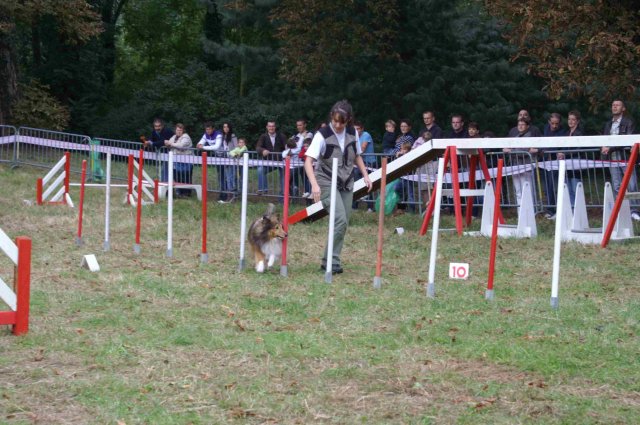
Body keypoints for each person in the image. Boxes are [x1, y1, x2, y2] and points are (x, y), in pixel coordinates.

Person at [304, 100, 372, 274]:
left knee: (343, 223)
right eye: (335, 121)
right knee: (340, 219)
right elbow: (308, 161)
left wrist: (366, 176)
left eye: (341, 122)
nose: (337, 125)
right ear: (331, 118)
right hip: (325, 180)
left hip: (346, 181)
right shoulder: (322, 134)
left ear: (348, 120)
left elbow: (357, 155)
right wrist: (314, 185)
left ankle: (330, 261)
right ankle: (330, 261)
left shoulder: (352, 132)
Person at [601, 99, 639, 220]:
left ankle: (634, 211)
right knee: (617, 186)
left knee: (631, 185)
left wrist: (610, 148)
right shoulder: (608, 124)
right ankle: (622, 211)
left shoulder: (629, 122)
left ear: (623, 109)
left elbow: (627, 141)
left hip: (626, 158)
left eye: (617, 105)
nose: (614, 106)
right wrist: (603, 147)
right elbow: (604, 139)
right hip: (612, 160)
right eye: (613, 105)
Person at [503, 118, 537, 209]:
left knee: (527, 190)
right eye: (519, 125)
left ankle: (529, 211)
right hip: (515, 166)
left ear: (527, 126)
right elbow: (505, 148)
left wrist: (511, 151)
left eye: (523, 124)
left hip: (526, 166)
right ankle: (520, 211)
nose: (520, 126)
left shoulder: (529, 136)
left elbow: (524, 150)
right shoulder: (516, 137)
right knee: (518, 191)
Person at [557, 110, 584, 207]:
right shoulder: (566, 133)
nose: (570, 121)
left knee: (575, 188)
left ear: (577, 121)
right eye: (569, 119)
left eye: (573, 119)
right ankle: (571, 210)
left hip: (575, 165)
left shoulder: (579, 133)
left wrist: (565, 154)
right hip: (566, 166)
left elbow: (578, 149)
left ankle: (578, 210)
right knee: (568, 189)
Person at [541, 113, 565, 218]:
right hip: (546, 161)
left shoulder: (563, 131)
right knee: (547, 187)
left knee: (554, 185)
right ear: (549, 122)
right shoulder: (546, 129)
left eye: (557, 124)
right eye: (552, 123)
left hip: (556, 162)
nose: (554, 126)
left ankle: (557, 209)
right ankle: (550, 209)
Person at [196, 122, 227, 202]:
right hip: (218, 157)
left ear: (213, 129)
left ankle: (225, 194)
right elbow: (200, 143)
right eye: (206, 129)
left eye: (209, 129)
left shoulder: (218, 135)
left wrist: (203, 147)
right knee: (220, 176)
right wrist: (199, 145)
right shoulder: (205, 135)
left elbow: (216, 146)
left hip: (226, 156)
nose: (208, 131)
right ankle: (222, 193)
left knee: (225, 176)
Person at [255, 121, 287, 194]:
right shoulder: (263, 136)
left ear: (275, 127)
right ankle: (263, 189)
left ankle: (283, 195)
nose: (271, 128)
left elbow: (287, 147)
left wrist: (287, 152)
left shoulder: (282, 136)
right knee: (260, 170)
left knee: (284, 176)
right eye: (269, 126)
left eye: (273, 126)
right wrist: (262, 150)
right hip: (268, 162)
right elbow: (258, 147)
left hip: (281, 162)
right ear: (267, 127)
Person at [165, 123, 194, 198]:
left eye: (180, 130)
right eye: (177, 130)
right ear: (175, 130)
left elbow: (181, 146)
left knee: (186, 177)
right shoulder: (174, 137)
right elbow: (168, 143)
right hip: (177, 161)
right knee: (177, 177)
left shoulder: (186, 137)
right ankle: (180, 193)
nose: (179, 132)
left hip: (187, 162)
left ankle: (187, 193)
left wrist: (170, 143)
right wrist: (168, 143)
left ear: (183, 131)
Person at [352, 121, 376, 210]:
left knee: (367, 183)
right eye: (354, 129)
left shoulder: (366, 135)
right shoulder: (353, 136)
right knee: (353, 182)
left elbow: (362, 148)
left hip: (369, 163)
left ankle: (370, 207)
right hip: (358, 162)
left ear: (362, 129)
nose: (356, 131)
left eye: (358, 129)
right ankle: (354, 206)